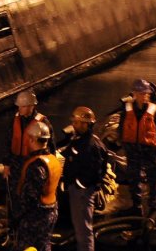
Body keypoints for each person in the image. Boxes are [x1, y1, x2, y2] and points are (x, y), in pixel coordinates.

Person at [111, 77, 156, 223]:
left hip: (149, 150)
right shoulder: (127, 110)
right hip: (133, 150)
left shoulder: (155, 112)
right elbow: (122, 127)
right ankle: (136, 206)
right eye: (142, 93)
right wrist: (124, 144)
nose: (145, 96)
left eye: (147, 93)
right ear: (134, 94)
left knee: (153, 176)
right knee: (133, 177)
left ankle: (154, 206)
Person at [4, 90, 52, 236]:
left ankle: (30, 228)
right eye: (19, 106)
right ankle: (14, 229)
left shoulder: (42, 122)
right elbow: (7, 142)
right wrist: (6, 164)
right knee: (14, 196)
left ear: (31, 106)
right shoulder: (15, 120)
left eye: (23, 106)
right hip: (16, 163)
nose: (20, 109)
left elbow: (51, 147)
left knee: (31, 198)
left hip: (33, 165)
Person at [61, 105, 107, 251]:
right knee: (80, 227)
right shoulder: (80, 140)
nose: (73, 125)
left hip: (82, 193)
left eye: (76, 122)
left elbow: (96, 171)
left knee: (83, 229)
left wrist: (78, 184)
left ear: (86, 124)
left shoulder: (90, 145)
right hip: (78, 190)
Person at [13, 119, 62, 251]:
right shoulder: (53, 160)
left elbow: (30, 196)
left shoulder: (36, 165)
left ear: (32, 139)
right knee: (44, 245)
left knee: (27, 247)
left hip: (35, 216)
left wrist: (18, 215)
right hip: (51, 211)